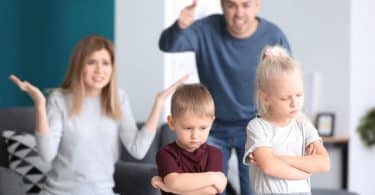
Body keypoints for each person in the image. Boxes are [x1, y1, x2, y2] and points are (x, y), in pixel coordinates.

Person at [9, 35, 188, 195]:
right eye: (91, 62)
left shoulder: (119, 98)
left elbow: (138, 149)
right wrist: (40, 105)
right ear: (79, 66)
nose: (99, 70)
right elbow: (46, 154)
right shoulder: (59, 99)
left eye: (106, 63)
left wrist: (158, 103)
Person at [158, 0, 291, 194]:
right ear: (222, 5)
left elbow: (287, 80)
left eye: (245, 5)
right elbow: (168, 45)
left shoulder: (273, 35)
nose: (239, 13)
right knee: (207, 188)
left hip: (256, 127)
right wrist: (180, 26)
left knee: (253, 191)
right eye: (231, 5)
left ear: (257, 5)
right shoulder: (205, 29)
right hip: (212, 128)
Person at [242, 45, 330, 195]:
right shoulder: (257, 127)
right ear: (266, 98)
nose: (294, 103)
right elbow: (269, 166)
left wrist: (278, 158)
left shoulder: (303, 125)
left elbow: (324, 163)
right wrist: (303, 172)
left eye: (299, 95)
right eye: (285, 98)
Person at [151, 84, 227, 195]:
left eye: (203, 128)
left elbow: (211, 191)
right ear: (172, 123)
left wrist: (168, 188)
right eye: (188, 128)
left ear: (211, 123)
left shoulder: (215, 154)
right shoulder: (165, 154)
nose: (195, 135)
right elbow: (174, 182)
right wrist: (212, 177)